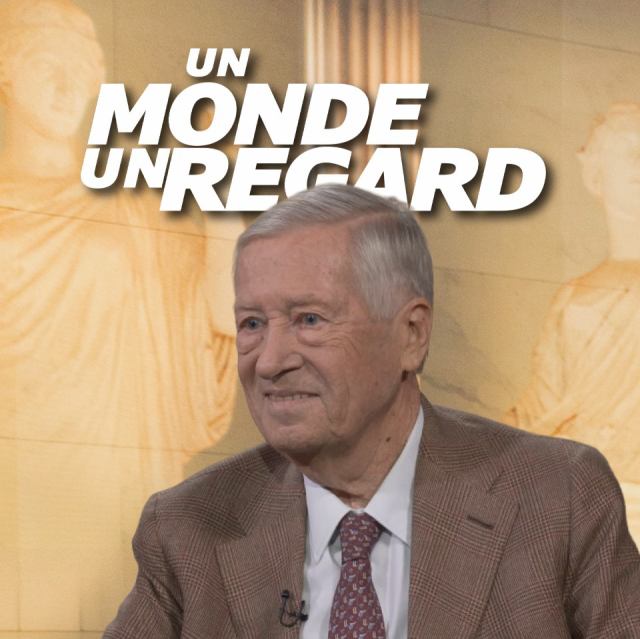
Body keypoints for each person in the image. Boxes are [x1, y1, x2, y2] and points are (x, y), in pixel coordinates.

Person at [105, 184, 640, 638]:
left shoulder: (559, 497)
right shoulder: (188, 527)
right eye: (252, 324)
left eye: (309, 320)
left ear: (411, 335)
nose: (268, 361)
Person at [0, 0, 240, 629]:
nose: (66, 86)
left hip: (117, 477)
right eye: (48, 64)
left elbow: (216, 323)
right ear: (7, 72)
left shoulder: (132, 215)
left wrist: (224, 200)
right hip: (20, 491)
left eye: (81, 70)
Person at [506, 103, 640, 541]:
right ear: (597, 176)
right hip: (593, 504)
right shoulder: (573, 298)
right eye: (627, 151)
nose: (638, 164)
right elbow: (540, 407)